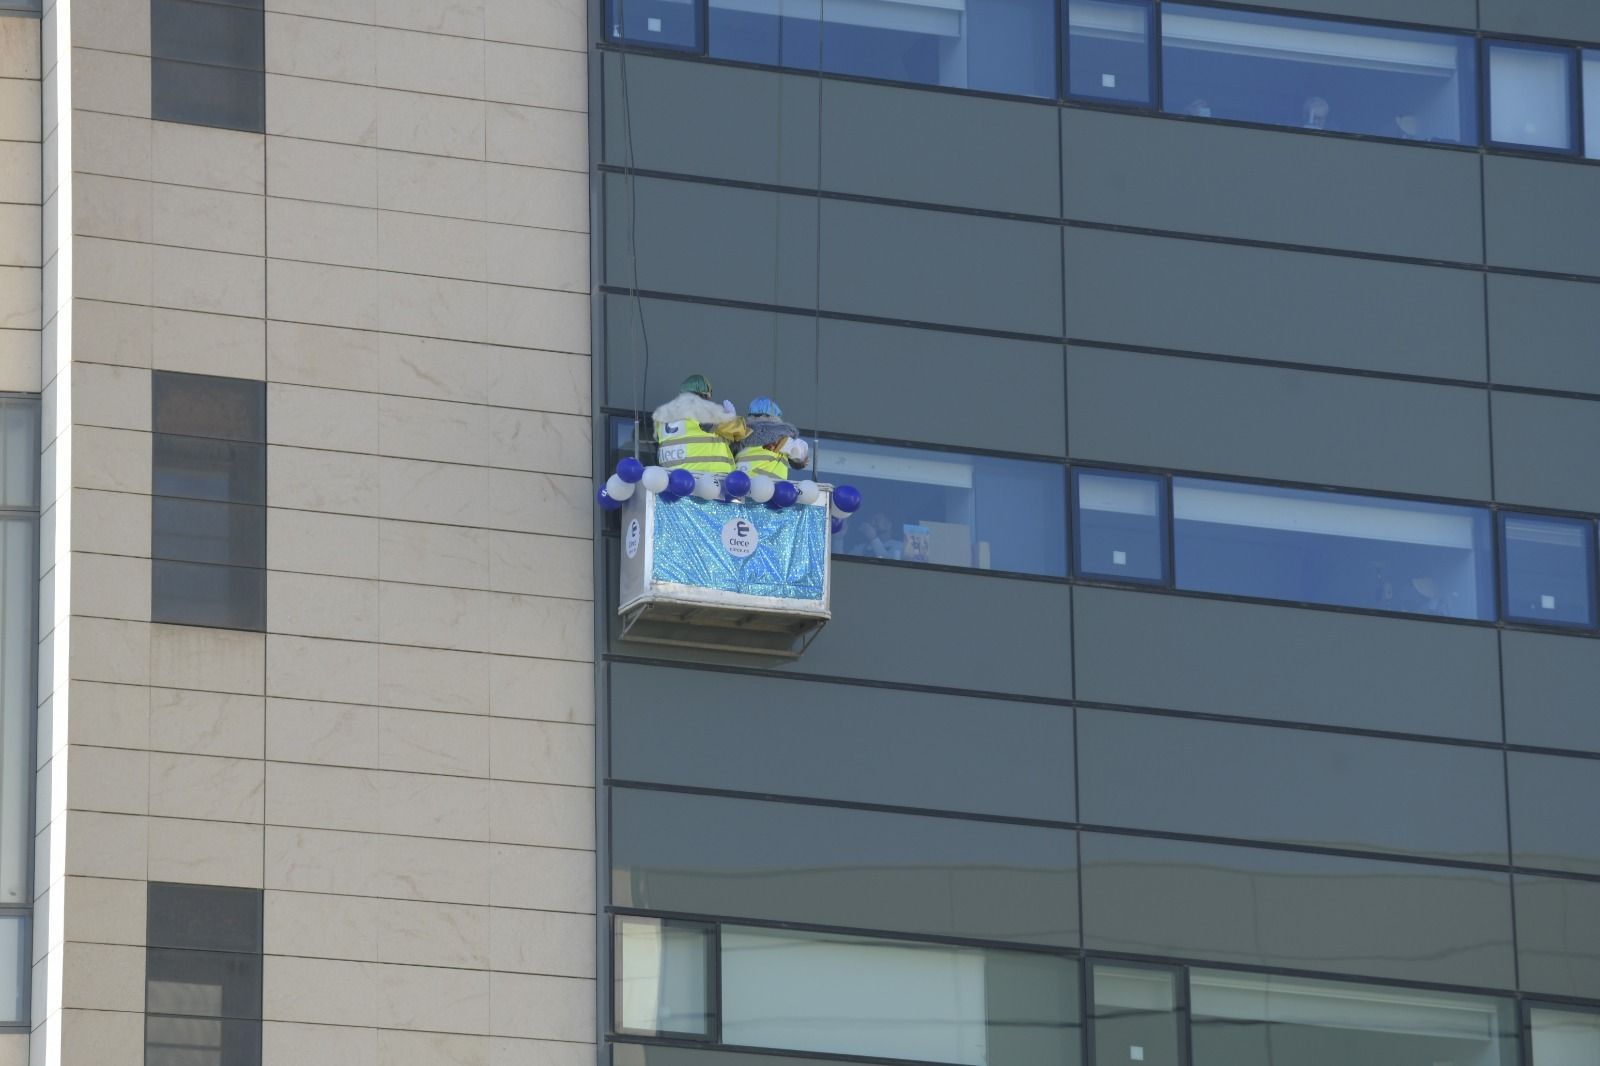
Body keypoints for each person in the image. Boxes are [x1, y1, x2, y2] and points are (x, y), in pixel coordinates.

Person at [651, 374, 749, 474]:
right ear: (705, 396)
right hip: (708, 478)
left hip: (674, 479)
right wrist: (732, 416)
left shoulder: (664, 420)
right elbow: (740, 430)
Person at [734, 396, 810, 480]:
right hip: (769, 488)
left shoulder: (740, 436)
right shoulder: (780, 438)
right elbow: (801, 454)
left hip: (740, 484)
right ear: (775, 417)